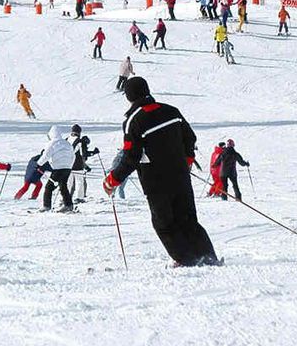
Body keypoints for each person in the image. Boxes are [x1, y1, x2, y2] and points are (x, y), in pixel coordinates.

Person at [103, 77, 218, 267]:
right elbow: (189, 137)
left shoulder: (134, 121)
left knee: (164, 224)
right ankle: (208, 257)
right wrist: (187, 160)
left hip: (156, 182)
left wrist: (113, 180)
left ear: (129, 97)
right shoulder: (171, 110)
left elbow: (131, 156)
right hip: (181, 176)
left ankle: (185, 260)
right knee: (188, 219)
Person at [38, 126, 76, 211]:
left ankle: (46, 206)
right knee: (63, 186)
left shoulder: (52, 143)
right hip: (67, 168)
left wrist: (38, 164)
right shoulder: (67, 143)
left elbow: (46, 155)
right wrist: (69, 166)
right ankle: (68, 205)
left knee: (49, 187)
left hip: (58, 168)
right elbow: (73, 156)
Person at [69, 126, 99, 202]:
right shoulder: (80, 141)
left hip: (67, 164)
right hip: (77, 165)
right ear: (79, 132)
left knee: (69, 183)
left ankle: (66, 198)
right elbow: (84, 154)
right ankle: (79, 198)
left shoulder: (67, 139)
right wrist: (93, 152)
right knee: (80, 181)